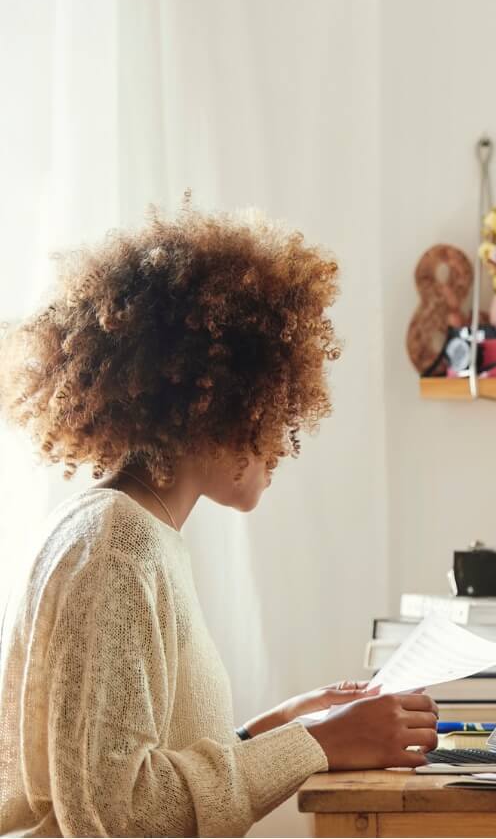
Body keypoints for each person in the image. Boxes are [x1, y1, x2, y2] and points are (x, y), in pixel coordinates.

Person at [0, 205, 439, 836]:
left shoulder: (134, 531)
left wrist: (276, 727)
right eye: (274, 407)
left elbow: (131, 768)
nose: (283, 438)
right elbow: (117, 815)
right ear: (215, 403)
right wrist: (316, 744)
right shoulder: (115, 551)